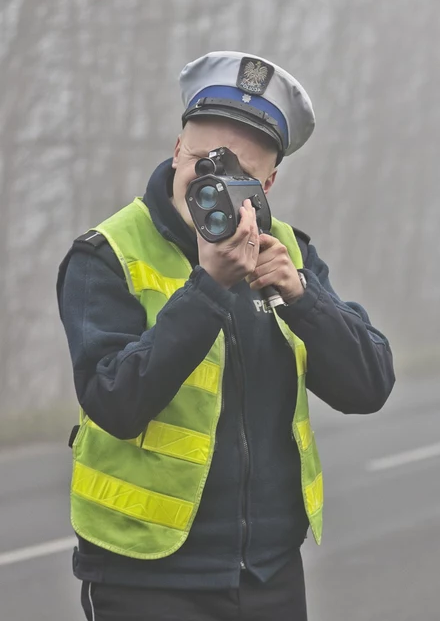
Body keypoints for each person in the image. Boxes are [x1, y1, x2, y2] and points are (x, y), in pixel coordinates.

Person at [56, 51, 395, 621]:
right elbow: (114, 401)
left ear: (267, 181)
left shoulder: (289, 250)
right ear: (175, 150)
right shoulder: (107, 253)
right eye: (201, 159)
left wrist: (301, 296)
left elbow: (369, 386)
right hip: (146, 574)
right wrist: (209, 287)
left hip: (267, 569)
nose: (210, 180)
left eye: (235, 168)